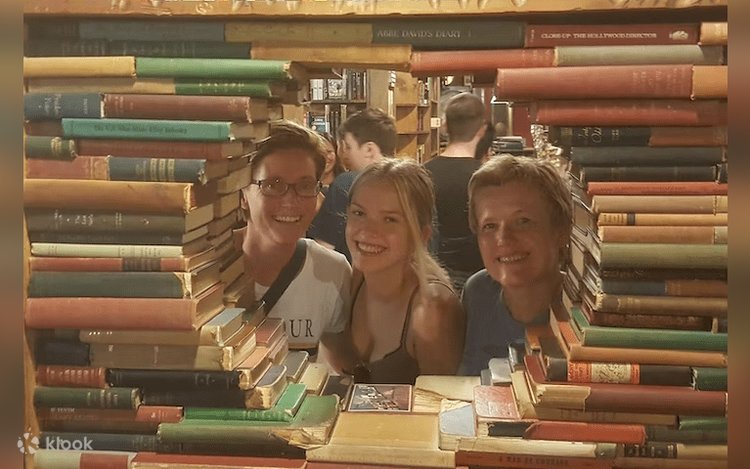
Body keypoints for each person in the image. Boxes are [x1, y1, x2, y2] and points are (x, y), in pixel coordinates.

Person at [236, 120, 352, 363]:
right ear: (243, 194)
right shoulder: (207, 270)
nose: (290, 200)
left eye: (305, 185)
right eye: (273, 185)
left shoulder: (333, 271)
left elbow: (337, 367)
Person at [343, 159, 466, 384]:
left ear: (421, 235)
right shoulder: (356, 277)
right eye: (359, 213)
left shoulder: (433, 309)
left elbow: (440, 401)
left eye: (390, 219)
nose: (367, 231)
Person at [458, 154, 572, 376]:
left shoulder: (584, 312)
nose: (503, 239)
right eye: (490, 226)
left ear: (561, 230)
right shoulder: (478, 293)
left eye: (522, 222)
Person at [308, 108, 397, 263]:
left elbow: (321, 253)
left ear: (369, 149)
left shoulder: (347, 183)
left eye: (348, 147)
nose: (344, 154)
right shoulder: (414, 183)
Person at [424, 92, 490, 292]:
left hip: (431, 278)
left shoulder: (421, 174)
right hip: (480, 279)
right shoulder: (487, 178)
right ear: (482, 130)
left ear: (445, 126)